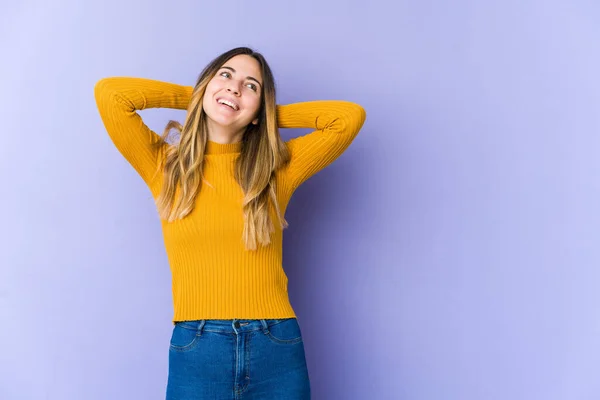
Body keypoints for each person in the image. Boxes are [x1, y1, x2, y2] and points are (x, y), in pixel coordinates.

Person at [94, 46, 366, 399]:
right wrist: (204, 95)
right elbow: (111, 94)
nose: (235, 88)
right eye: (225, 75)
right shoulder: (165, 166)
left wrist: (263, 113)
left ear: (259, 111)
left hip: (276, 344)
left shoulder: (276, 169)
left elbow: (347, 117)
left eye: (251, 86)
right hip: (198, 346)